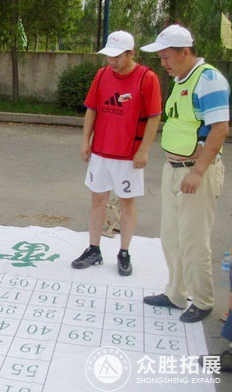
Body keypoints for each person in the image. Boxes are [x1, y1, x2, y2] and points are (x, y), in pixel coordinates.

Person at [141, 24, 229, 323]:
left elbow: (220, 128)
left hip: (196, 172)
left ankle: (202, 300)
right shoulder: (181, 79)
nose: (163, 63)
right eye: (161, 58)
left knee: (193, 240)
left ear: (185, 52)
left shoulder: (209, 80)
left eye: (167, 57)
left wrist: (199, 171)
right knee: (171, 236)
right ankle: (176, 293)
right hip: (174, 170)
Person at [71, 30, 162, 276]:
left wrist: (144, 150)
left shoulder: (147, 78)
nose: (112, 61)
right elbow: (92, 109)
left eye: (117, 57)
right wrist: (85, 141)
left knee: (126, 204)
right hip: (101, 151)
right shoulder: (102, 75)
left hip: (128, 155)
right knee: (97, 201)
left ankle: (124, 252)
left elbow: (155, 116)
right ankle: (93, 249)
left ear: (131, 53)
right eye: (108, 56)